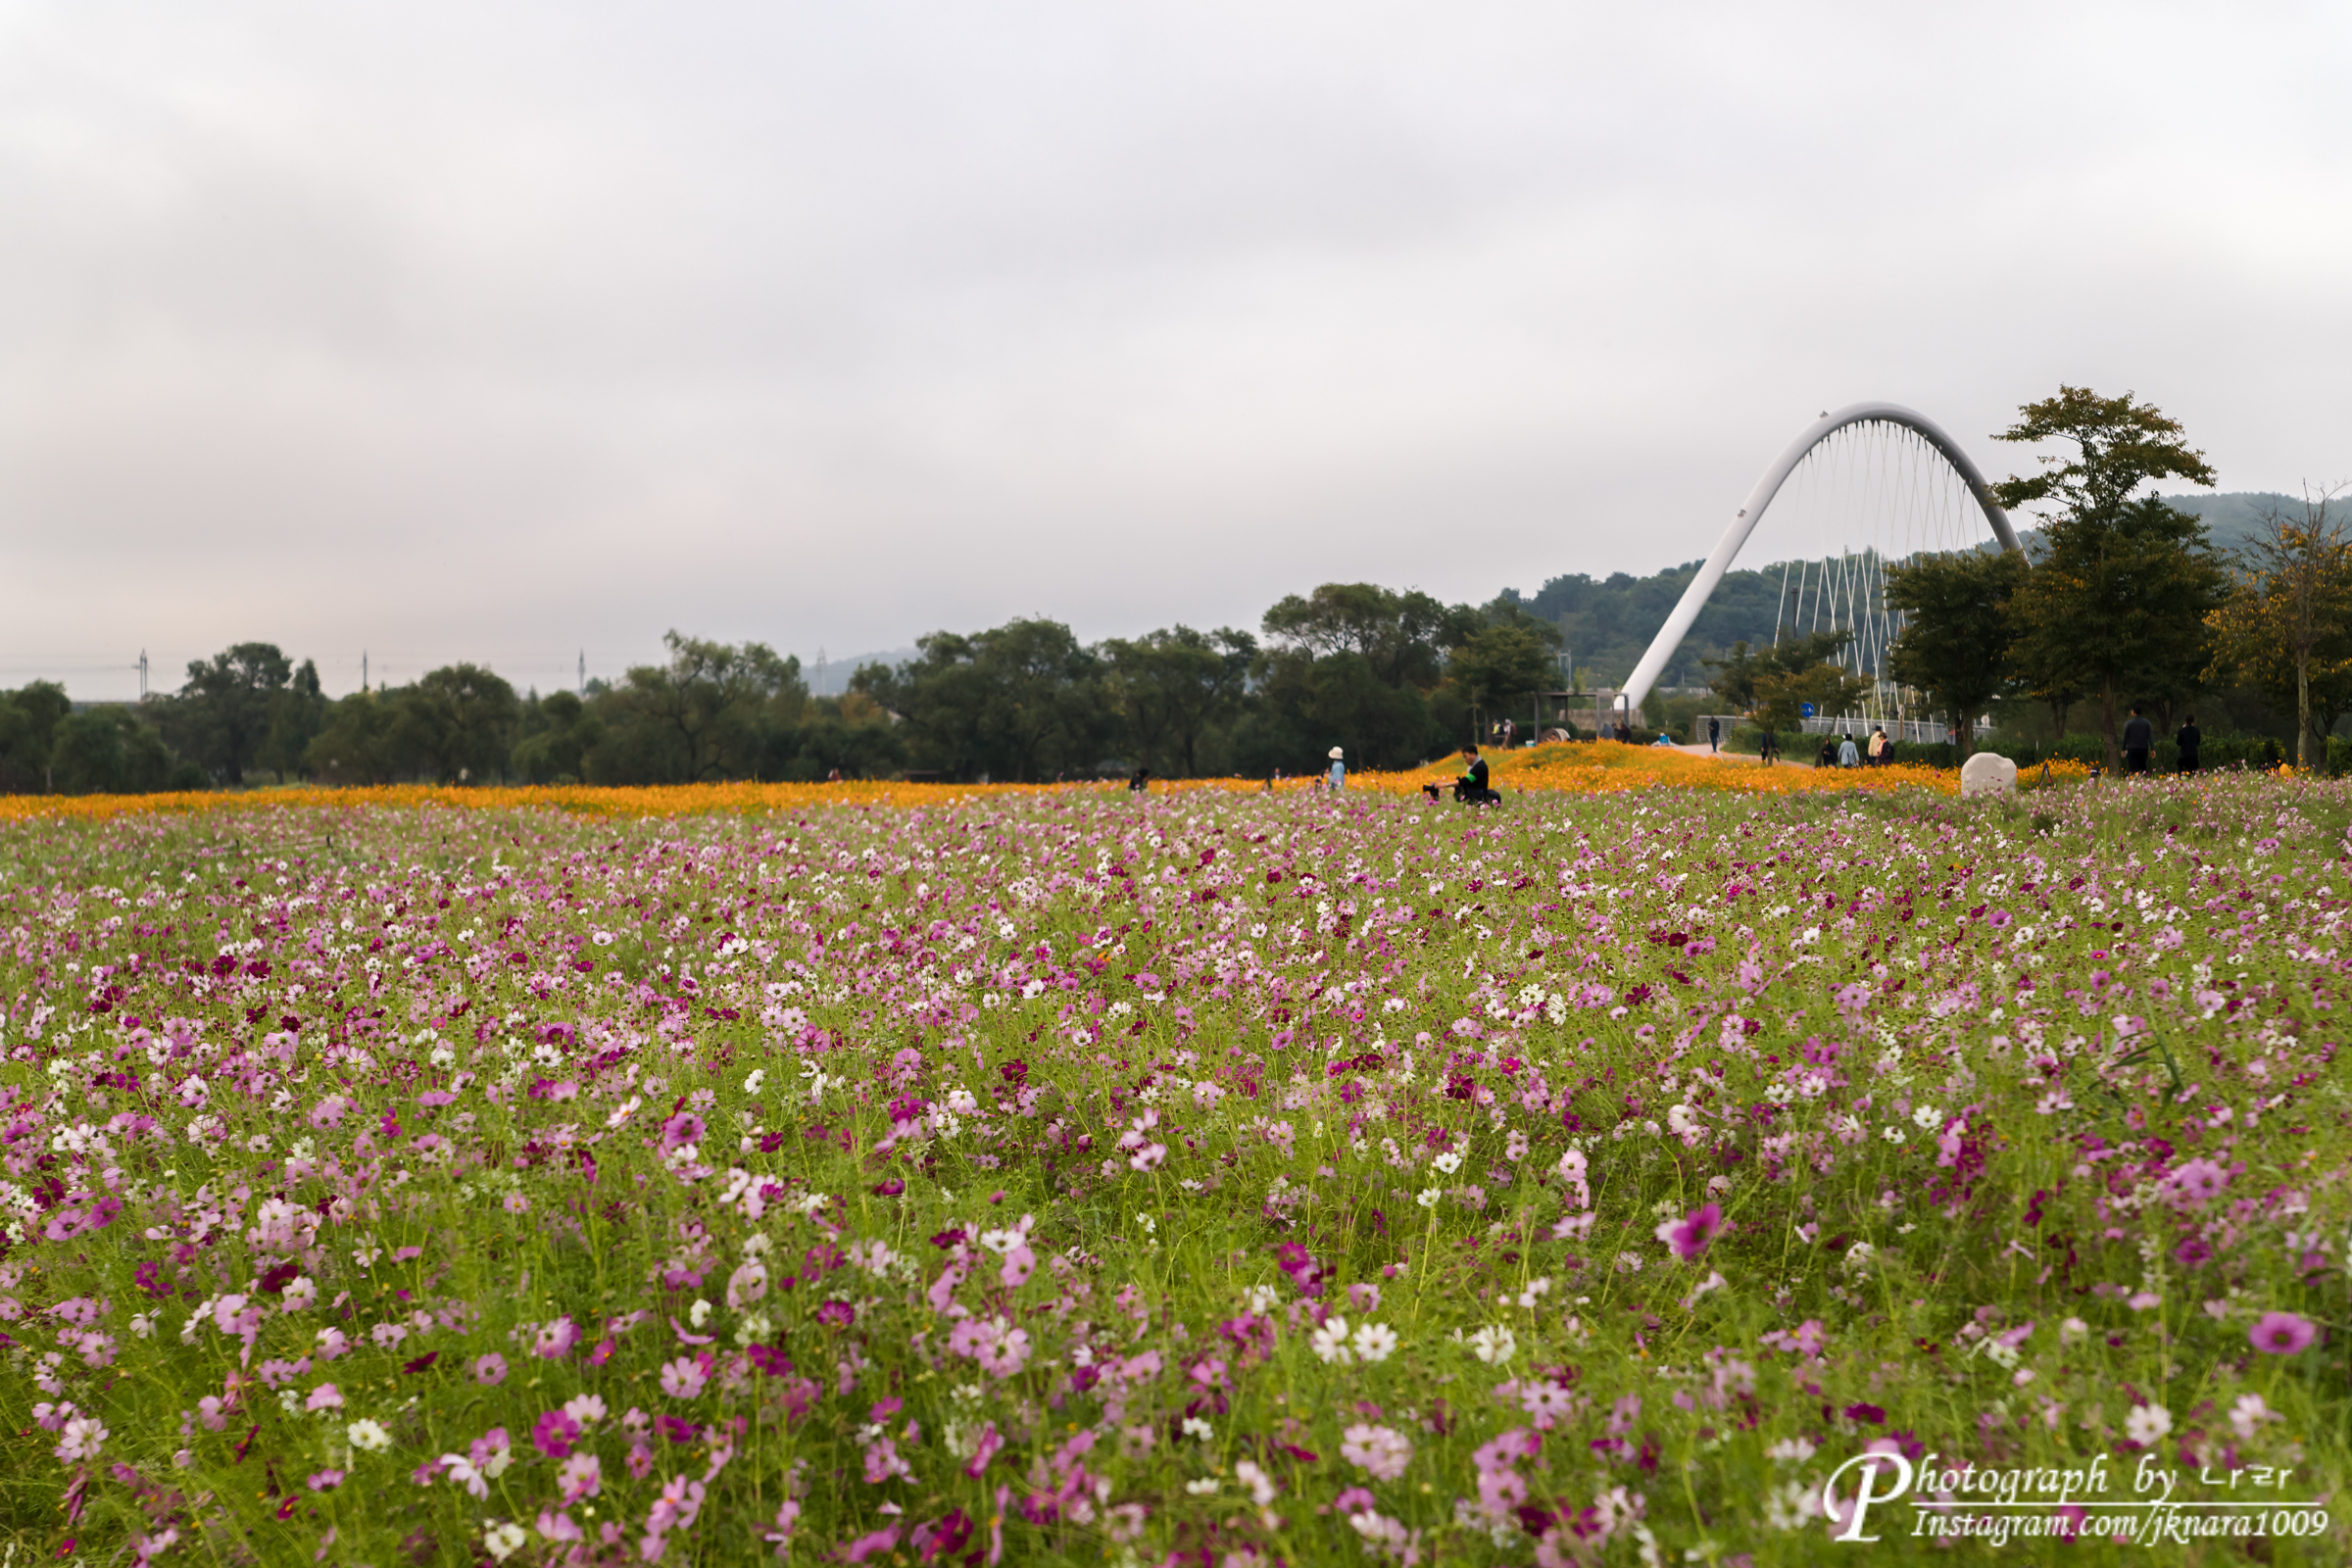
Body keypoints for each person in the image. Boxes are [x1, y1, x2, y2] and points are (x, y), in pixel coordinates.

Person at [2122, 707, 2153, 774]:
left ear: (2133, 712)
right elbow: (2150, 737)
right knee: (2142, 768)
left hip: (2132, 748)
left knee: (2133, 769)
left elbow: (2125, 737)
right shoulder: (2147, 723)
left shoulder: (2129, 723)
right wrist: (2152, 749)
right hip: (2143, 748)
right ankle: (2143, 779)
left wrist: (2123, 749)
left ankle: (2133, 779)